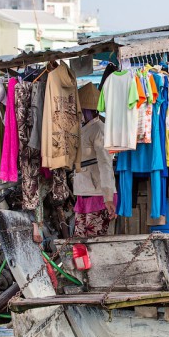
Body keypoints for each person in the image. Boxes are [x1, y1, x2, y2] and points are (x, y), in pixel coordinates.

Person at [72, 82, 117, 237]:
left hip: (98, 194)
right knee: (79, 242)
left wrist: (108, 197)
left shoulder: (99, 129)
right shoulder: (83, 128)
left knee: (95, 241)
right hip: (82, 191)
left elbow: (106, 165)